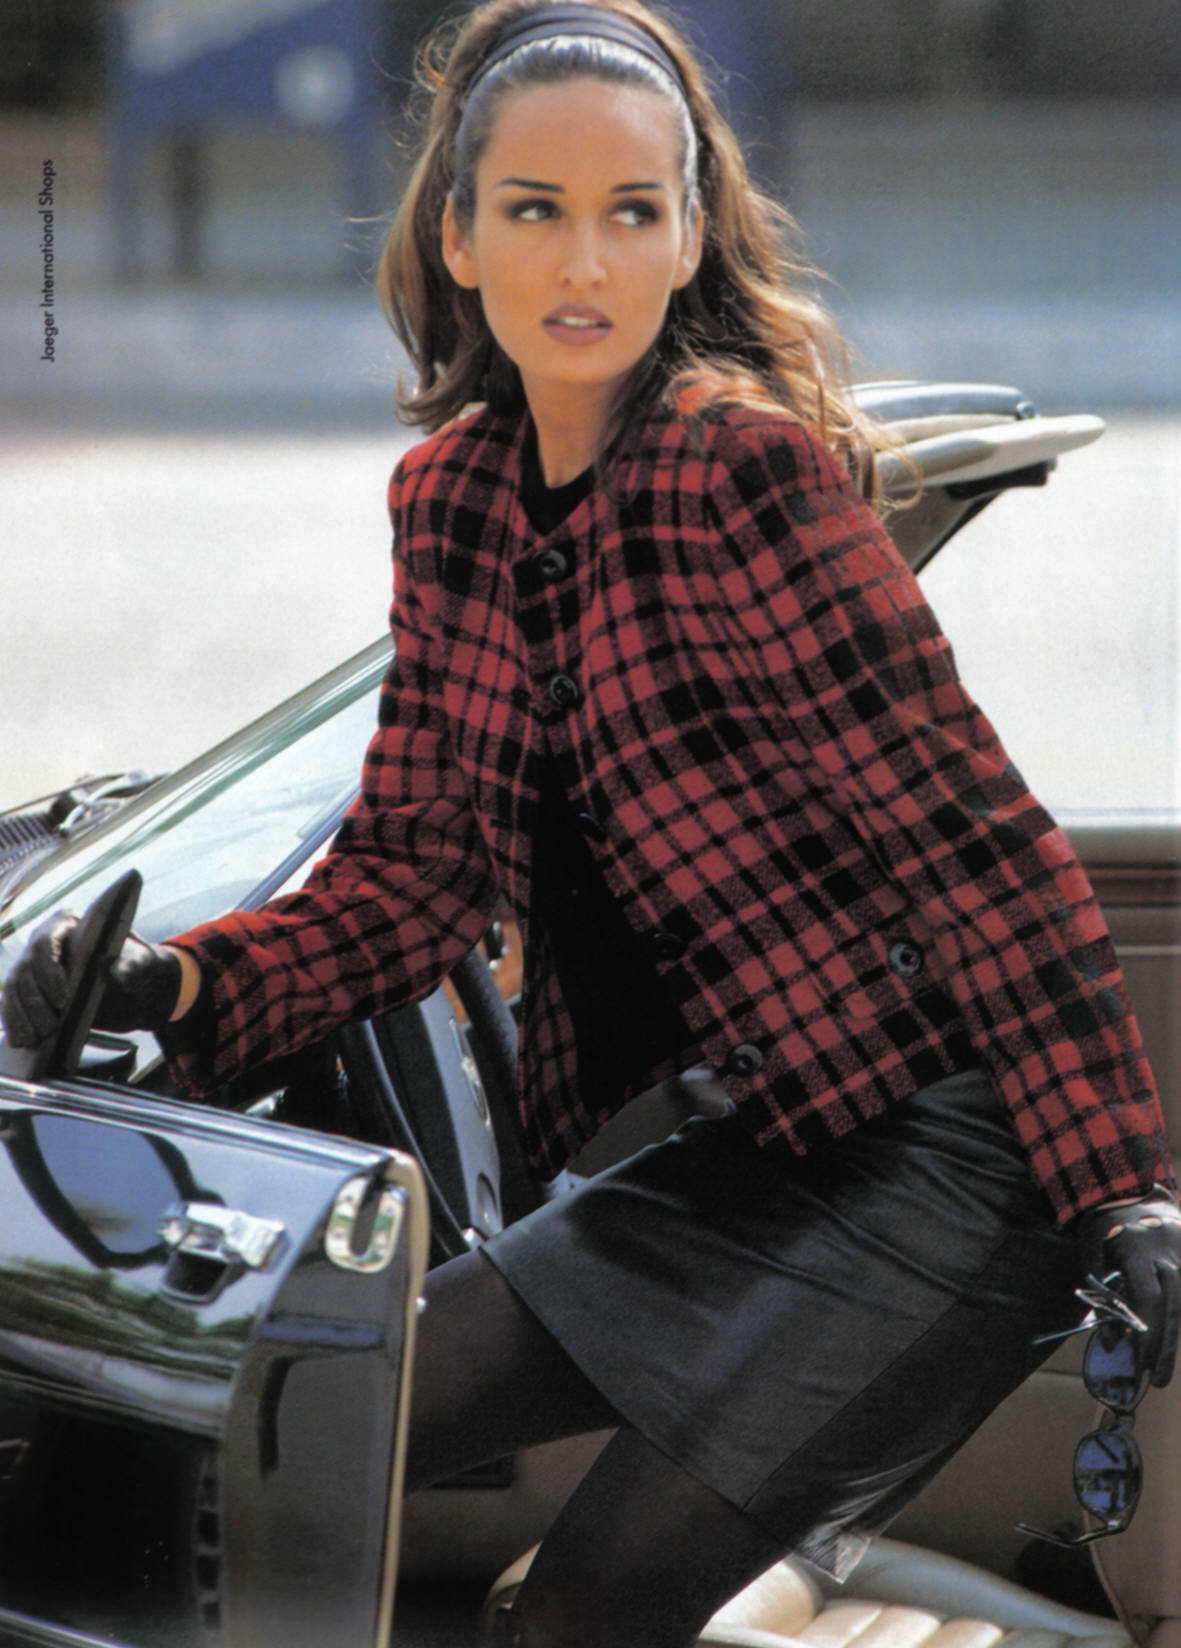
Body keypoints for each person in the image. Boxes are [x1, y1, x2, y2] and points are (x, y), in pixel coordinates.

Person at [4, 3, 1179, 1643]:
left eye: (633, 211)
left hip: (938, 1167)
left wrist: (1116, 1182)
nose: (584, 259)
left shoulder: (742, 476)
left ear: (689, 237)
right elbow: (410, 879)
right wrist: (177, 986)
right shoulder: (454, 502)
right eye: (535, 208)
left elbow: (974, 844)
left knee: (573, 1623)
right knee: (289, 1414)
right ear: (457, 234)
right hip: (752, 1152)